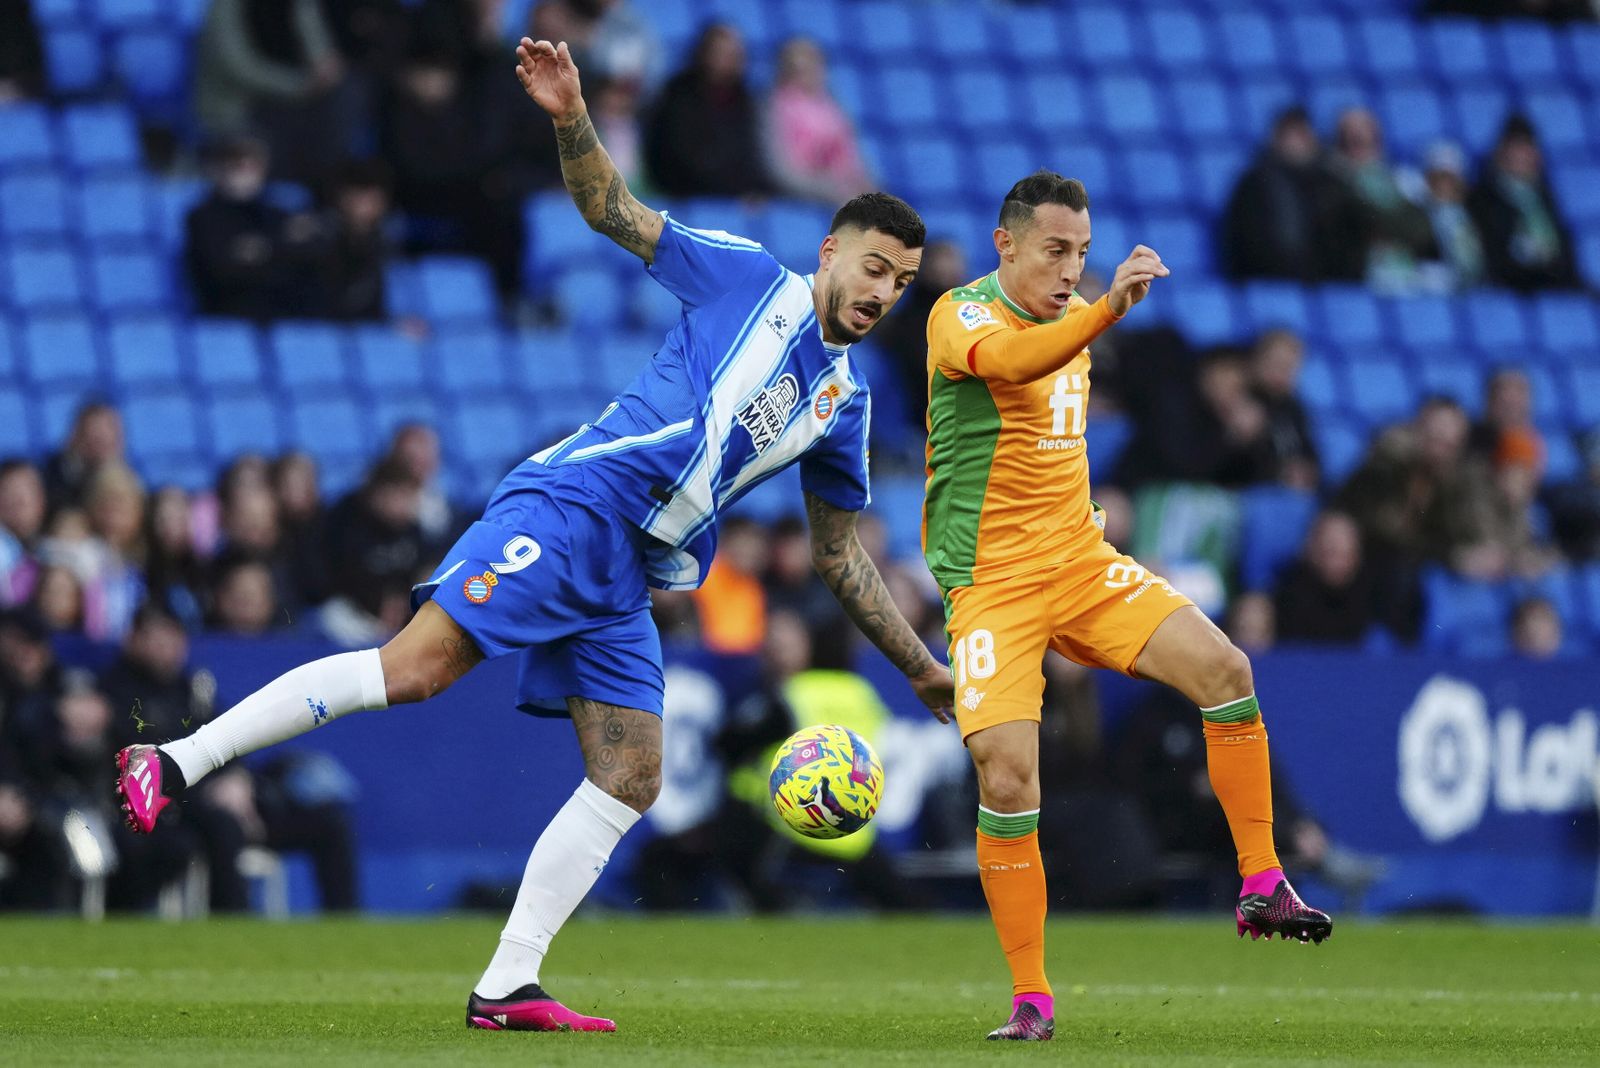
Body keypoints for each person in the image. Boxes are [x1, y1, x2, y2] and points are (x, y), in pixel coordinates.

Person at [119, 36, 951, 1032]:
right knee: (414, 670)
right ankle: (173, 761)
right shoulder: (746, 280)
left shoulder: (844, 408)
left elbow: (836, 554)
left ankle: (509, 982)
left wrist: (919, 666)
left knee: (632, 772)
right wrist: (571, 117)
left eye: (899, 282)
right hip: (570, 511)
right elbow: (613, 211)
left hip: (627, 573)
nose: (880, 292)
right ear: (830, 251)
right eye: (871, 267)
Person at [921, 171, 1331, 1042]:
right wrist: (1105, 309)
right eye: (1054, 250)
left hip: (1080, 562)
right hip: (993, 584)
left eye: (1082, 253)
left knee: (1227, 669)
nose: (1072, 267)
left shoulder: (1077, 331)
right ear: (1006, 246)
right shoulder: (962, 315)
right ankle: (1031, 998)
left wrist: (1098, 319)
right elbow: (1015, 363)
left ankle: (1261, 882)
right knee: (1007, 774)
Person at [1222, 106, 1364, 282]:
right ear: (1277, 138)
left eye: (1304, 134)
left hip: (1323, 281)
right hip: (1271, 281)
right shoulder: (1256, 182)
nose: (1301, 142)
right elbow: (1248, 243)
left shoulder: (1329, 182)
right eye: (1294, 134)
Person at [644, 23, 774, 198]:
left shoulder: (746, 100)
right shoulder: (677, 96)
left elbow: (752, 157)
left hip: (733, 195)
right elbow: (681, 159)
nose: (729, 59)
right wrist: (733, 189)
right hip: (687, 194)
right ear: (703, 53)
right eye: (721, 52)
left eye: (734, 54)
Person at [1468, 115, 1579, 291]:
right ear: (1501, 151)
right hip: (1510, 287)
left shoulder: (1545, 198)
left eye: (1528, 147)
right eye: (1517, 147)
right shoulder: (1483, 198)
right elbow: (1492, 256)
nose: (1523, 156)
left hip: (1552, 285)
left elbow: (1563, 252)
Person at [764, 38, 873, 205]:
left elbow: (851, 156)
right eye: (799, 69)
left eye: (813, 65)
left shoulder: (833, 106)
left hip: (841, 184)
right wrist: (833, 187)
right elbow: (784, 170)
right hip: (807, 189)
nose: (809, 73)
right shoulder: (776, 107)